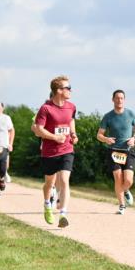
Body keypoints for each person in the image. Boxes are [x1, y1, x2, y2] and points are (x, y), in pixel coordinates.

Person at [33, 76, 78, 227]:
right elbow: (38, 130)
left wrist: (73, 134)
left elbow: (71, 120)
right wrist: (54, 137)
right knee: (49, 183)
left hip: (67, 148)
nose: (70, 90)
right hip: (50, 151)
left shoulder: (71, 106)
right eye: (68, 88)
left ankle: (63, 214)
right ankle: (47, 204)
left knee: (65, 180)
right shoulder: (46, 109)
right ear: (59, 91)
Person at [97, 89, 135, 214]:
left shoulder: (131, 114)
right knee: (118, 178)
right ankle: (121, 206)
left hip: (127, 151)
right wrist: (106, 139)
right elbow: (99, 134)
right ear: (113, 100)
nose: (119, 100)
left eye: (121, 98)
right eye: (117, 98)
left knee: (128, 181)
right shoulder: (108, 116)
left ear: (124, 100)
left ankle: (126, 190)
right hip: (113, 151)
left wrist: (134, 137)